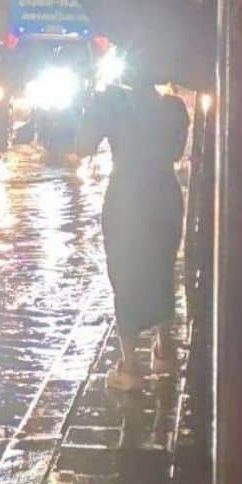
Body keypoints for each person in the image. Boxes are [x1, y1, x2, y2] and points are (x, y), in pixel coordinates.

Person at [77, 60, 189, 391]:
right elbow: (176, 152)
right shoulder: (174, 107)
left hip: (126, 195)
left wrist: (94, 108)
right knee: (161, 266)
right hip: (164, 194)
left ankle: (130, 365)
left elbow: (82, 147)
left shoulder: (109, 105)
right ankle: (165, 347)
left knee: (125, 272)